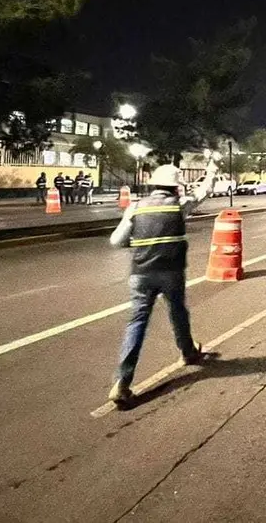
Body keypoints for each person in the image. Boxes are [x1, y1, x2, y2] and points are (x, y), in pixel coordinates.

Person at [107, 161, 218, 407]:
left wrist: (140, 245)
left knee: (137, 322)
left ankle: (122, 382)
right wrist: (211, 172)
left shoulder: (136, 207)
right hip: (171, 272)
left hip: (141, 273)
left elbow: (117, 240)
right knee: (178, 311)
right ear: (176, 188)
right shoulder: (179, 206)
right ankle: (188, 352)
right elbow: (204, 192)